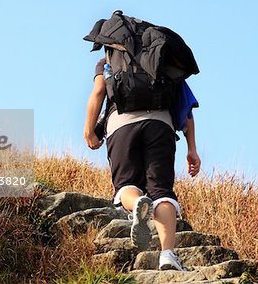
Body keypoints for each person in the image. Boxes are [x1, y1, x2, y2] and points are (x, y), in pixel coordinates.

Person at [83, 57, 201, 271]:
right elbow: (187, 108)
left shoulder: (110, 60)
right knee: (162, 191)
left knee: (126, 185)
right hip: (160, 125)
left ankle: (138, 204)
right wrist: (192, 149)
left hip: (121, 124)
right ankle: (167, 255)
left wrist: (89, 130)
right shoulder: (162, 59)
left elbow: (99, 91)